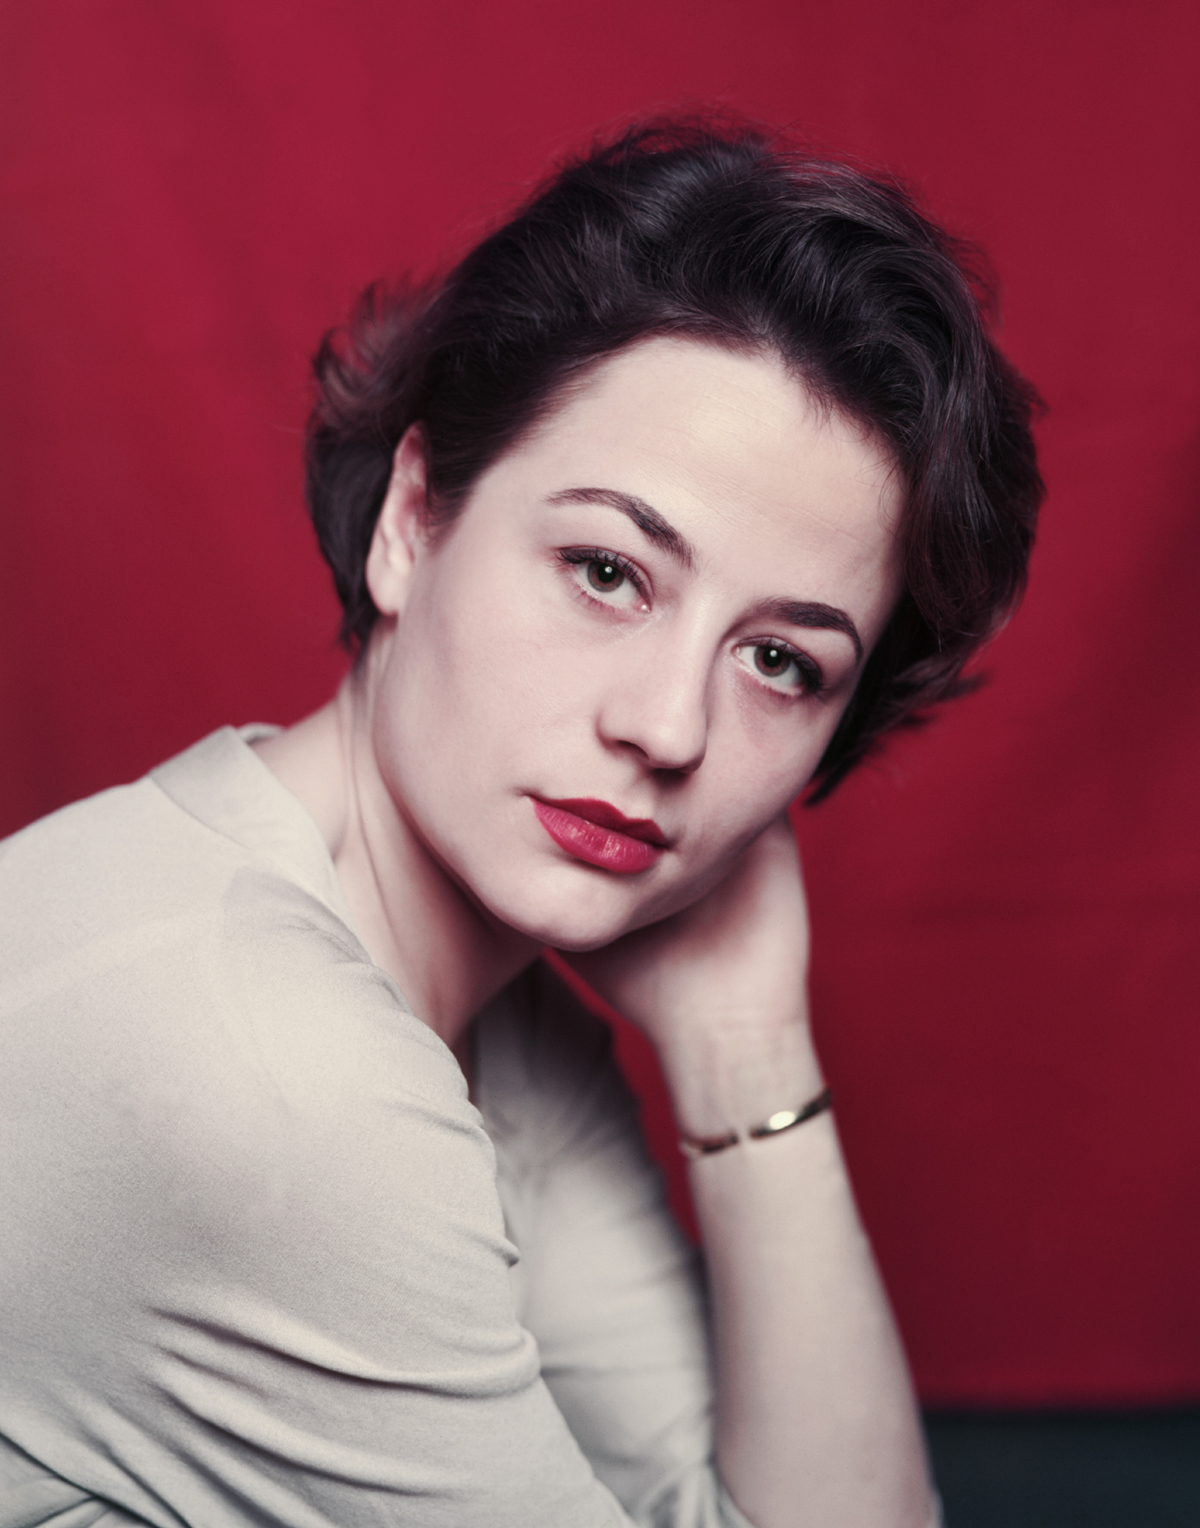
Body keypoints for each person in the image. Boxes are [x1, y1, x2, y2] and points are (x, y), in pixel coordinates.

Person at [0, 120, 1041, 1527]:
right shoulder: (275, 1066)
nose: (668, 729)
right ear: (411, 522)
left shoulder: (470, 1004)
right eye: (607, 571)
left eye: (780, 662)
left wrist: (746, 1048)